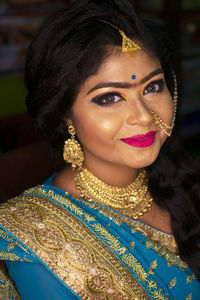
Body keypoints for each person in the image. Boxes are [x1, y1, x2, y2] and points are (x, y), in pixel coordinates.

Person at [0, 0, 200, 299]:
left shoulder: (185, 178)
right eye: (109, 98)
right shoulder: (37, 234)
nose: (144, 116)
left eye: (152, 87)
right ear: (65, 113)